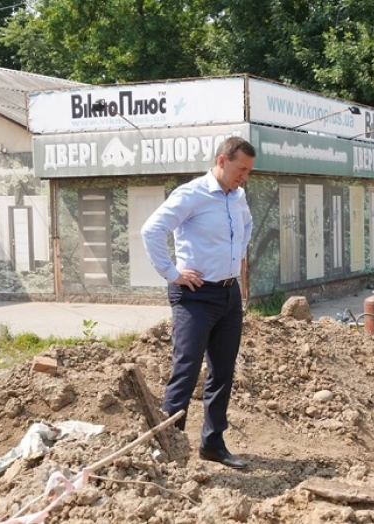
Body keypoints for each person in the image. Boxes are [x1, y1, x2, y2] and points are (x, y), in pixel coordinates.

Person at [141, 136, 255, 469]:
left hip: (228, 293)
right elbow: (152, 230)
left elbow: (246, 224)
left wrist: (237, 256)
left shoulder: (238, 196)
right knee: (186, 370)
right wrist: (171, 272)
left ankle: (212, 444)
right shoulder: (192, 195)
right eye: (240, 169)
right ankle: (169, 449)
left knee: (222, 371)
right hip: (195, 295)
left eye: (249, 171)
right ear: (222, 161)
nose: (244, 177)